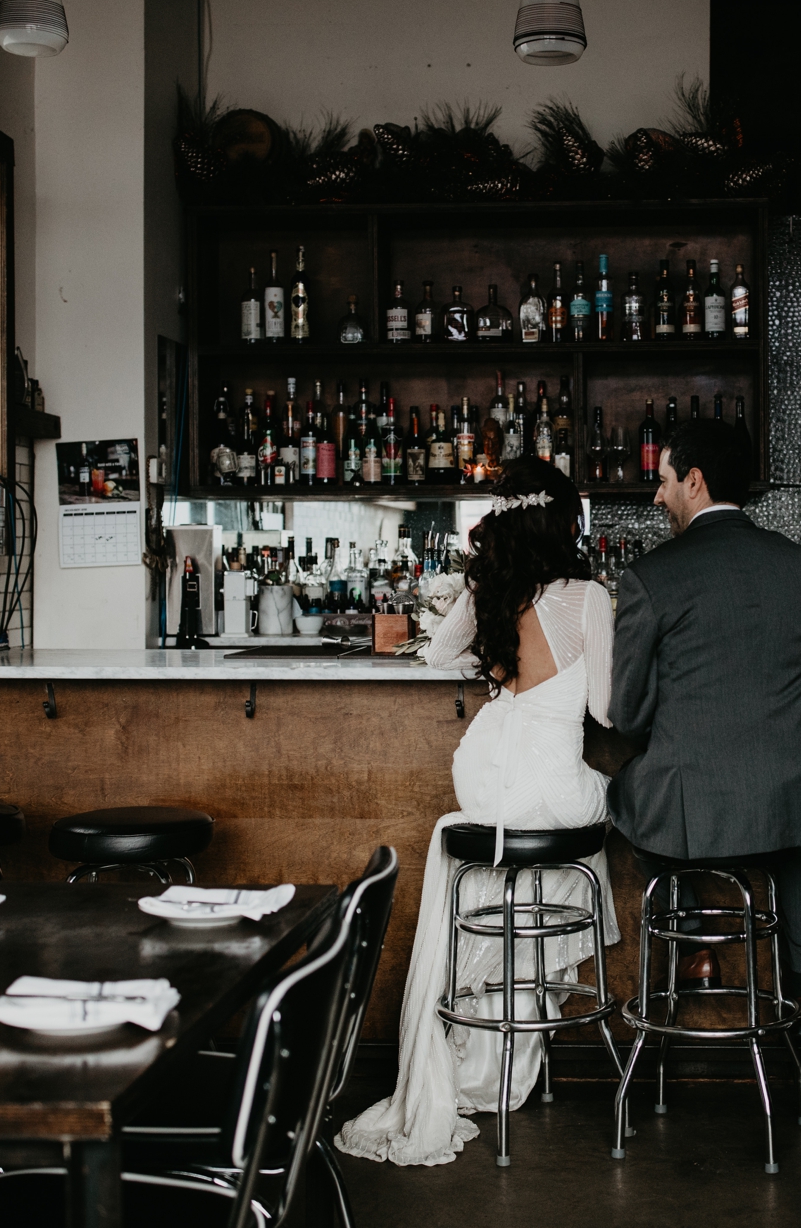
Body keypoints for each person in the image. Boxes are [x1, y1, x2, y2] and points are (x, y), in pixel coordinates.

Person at [334, 459, 619, 1166]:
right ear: (565, 520)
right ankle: (526, 1005)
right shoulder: (588, 596)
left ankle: (493, 1012)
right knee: (595, 811)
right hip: (545, 779)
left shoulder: (492, 586)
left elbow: (438, 657)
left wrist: (492, 629)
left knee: (507, 855)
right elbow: (606, 709)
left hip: (484, 770)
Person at [607, 418, 801, 1042]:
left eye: (664, 482)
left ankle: (695, 946)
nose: (657, 497)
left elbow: (626, 717)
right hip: (786, 795)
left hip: (692, 802)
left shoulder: (651, 577)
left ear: (695, 482)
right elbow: (798, 658)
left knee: (628, 793)